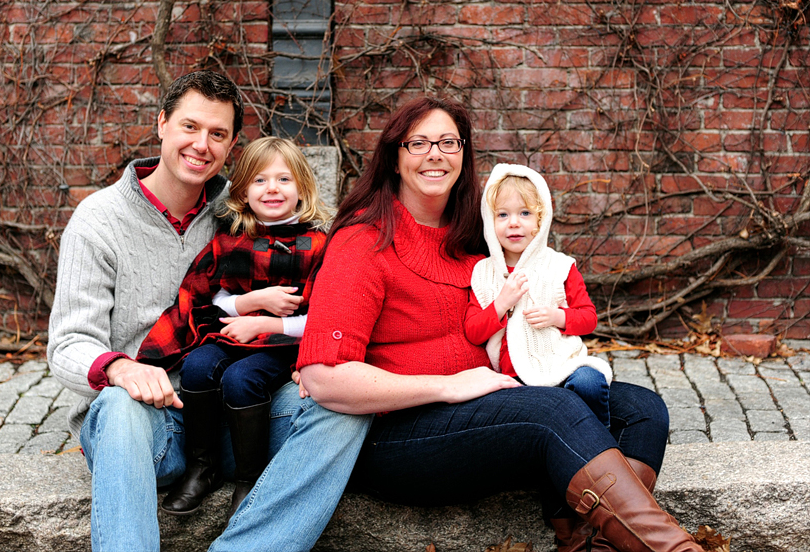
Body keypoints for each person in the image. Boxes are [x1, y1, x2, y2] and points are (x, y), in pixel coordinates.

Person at [206, 96, 700, 552]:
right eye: (417, 143)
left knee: (643, 409)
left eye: (447, 142)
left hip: (491, 399)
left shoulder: (475, 239)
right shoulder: (364, 241)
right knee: (553, 411)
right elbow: (323, 378)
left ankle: (588, 545)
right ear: (394, 156)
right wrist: (448, 385)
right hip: (398, 433)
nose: (434, 154)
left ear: (464, 154)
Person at [46, 70, 249, 552]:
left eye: (217, 134)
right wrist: (118, 367)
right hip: (141, 425)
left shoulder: (240, 215)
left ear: (232, 144)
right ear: (161, 123)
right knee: (118, 404)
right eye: (190, 127)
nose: (202, 145)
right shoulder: (98, 220)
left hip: (224, 419)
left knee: (331, 408)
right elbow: (68, 343)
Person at [136, 137, 329, 519]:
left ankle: (248, 478)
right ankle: (201, 466)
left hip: (284, 343)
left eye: (284, 180)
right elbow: (212, 296)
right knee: (197, 366)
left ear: (303, 188)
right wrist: (250, 304)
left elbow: (326, 319)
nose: (272, 188)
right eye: (260, 181)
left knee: (242, 380)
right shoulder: (232, 240)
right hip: (234, 332)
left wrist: (267, 322)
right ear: (241, 192)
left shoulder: (320, 245)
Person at [465, 163, 613, 427]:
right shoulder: (483, 273)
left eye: (525, 213)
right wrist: (501, 304)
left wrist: (557, 316)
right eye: (502, 215)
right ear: (490, 220)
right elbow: (473, 332)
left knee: (590, 382)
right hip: (513, 377)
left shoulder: (560, 266)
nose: (514, 223)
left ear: (540, 220)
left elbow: (589, 318)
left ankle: (600, 442)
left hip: (561, 366)